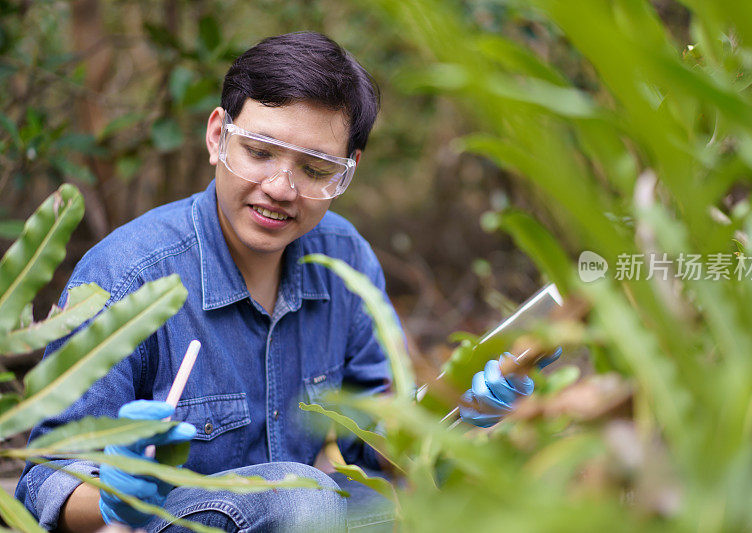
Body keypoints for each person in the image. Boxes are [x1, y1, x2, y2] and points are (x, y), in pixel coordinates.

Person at [15, 31, 539, 532]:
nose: (281, 188)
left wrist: (459, 417)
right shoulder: (126, 276)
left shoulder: (345, 261)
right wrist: (114, 495)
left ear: (347, 172)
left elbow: (379, 449)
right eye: (260, 152)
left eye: (314, 169)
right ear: (218, 136)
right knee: (302, 497)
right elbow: (43, 478)